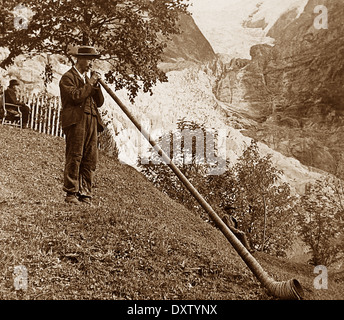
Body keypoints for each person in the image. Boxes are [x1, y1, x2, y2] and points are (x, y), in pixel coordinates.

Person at [59, 45, 105, 205]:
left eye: (93, 60)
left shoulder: (88, 80)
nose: (91, 64)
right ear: (80, 59)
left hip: (92, 120)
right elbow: (76, 96)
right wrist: (90, 84)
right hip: (76, 121)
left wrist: (96, 86)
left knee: (90, 158)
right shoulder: (67, 77)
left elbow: (99, 102)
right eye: (90, 60)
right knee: (75, 156)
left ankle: (85, 195)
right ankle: (71, 194)